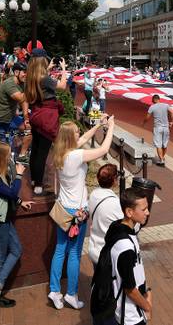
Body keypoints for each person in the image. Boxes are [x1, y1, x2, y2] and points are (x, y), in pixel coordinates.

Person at [49, 118, 116, 310]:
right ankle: (71, 293)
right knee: (75, 254)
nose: (80, 134)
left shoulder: (60, 152)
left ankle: (54, 290)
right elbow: (103, 150)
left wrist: (97, 124)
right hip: (76, 212)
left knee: (60, 249)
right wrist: (110, 127)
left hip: (62, 208)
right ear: (70, 137)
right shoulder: (76, 156)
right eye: (76, 132)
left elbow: (86, 137)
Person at [0, 141, 34, 312]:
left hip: (3, 220)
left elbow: (6, 195)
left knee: (17, 250)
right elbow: (10, 192)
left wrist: (20, 202)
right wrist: (18, 175)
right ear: (2, 157)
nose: (11, 157)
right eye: (9, 154)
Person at [90, 186, 152, 325]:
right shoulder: (125, 247)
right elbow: (129, 288)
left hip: (132, 310)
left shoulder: (119, 227)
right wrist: (147, 306)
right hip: (130, 315)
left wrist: (147, 290)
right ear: (129, 212)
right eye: (143, 209)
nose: (147, 212)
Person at [24, 56, 68, 195]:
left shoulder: (32, 77)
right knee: (43, 152)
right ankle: (38, 184)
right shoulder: (45, 79)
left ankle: (33, 180)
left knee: (35, 150)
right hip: (47, 118)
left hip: (36, 114)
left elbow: (43, 78)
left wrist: (48, 68)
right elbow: (62, 86)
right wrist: (64, 69)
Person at [87, 163, 123, 266]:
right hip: (109, 253)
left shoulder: (93, 194)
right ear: (114, 181)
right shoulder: (115, 202)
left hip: (94, 248)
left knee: (98, 279)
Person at [141, 94, 173, 167]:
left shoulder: (152, 107)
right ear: (159, 99)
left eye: (152, 100)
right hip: (166, 128)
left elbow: (147, 117)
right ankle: (162, 158)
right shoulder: (166, 105)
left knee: (158, 144)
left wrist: (143, 122)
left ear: (154, 100)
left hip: (158, 128)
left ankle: (161, 160)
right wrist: (171, 121)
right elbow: (172, 112)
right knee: (165, 144)